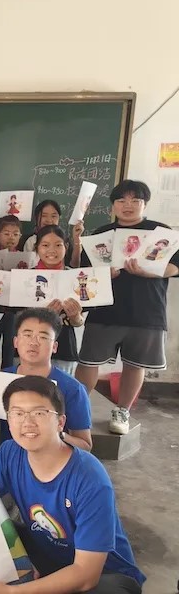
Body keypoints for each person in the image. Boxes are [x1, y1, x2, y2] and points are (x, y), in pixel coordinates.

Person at [0, 375, 145, 594]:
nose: (27, 422)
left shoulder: (90, 478)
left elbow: (86, 575)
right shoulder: (10, 453)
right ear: (8, 420)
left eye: (39, 413)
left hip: (105, 576)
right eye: (17, 413)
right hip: (48, 555)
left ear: (60, 422)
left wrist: (14, 591)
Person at [74, 180, 179, 435]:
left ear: (145, 204)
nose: (128, 205)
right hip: (104, 310)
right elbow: (85, 271)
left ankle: (122, 411)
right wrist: (103, 273)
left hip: (147, 311)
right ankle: (76, 409)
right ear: (113, 205)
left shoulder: (160, 232)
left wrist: (148, 271)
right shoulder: (101, 233)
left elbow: (174, 267)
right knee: (88, 361)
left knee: (135, 364)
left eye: (135, 200)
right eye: (121, 200)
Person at [1, 308, 92, 451]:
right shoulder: (1, 379)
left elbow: (85, 446)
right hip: (11, 460)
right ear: (16, 342)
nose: (34, 342)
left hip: (52, 460)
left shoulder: (72, 388)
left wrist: (56, 434)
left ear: (54, 346)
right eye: (27, 335)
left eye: (43, 337)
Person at [32, 225, 84, 374]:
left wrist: (75, 316)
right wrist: (44, 315)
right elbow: (19, 319)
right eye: (45, 245)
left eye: (58, 245)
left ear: (66, 247)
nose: (52, 250)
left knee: (61, 388)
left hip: (64, 348)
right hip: (30, 348)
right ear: (37, 248)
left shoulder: (75, 277)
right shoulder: (26, 278)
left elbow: (79, 322)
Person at [0, 216, 23, 370]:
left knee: (10, 346)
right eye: (6, 233)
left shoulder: (24, 258)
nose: (11, 237)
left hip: (14, 310)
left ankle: (7, 377)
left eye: (15, 234)